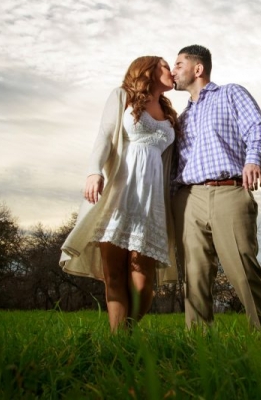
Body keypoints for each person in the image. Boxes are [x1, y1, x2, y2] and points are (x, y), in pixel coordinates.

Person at [60, 56, 179, 332]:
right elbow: (104, 135)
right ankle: (118, 343)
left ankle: (124, 332)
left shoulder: (169, 112)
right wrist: (94, 171)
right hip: (119, 195)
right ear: (148, 69)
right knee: (113, 276)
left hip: (152, 202)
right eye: (164, 65)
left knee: (143, 284)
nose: (170, 70)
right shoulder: (122, 96)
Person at [171, 44, 261, 330]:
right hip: (189, 198)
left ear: (198, 69)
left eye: (178, 65)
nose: (173, 70)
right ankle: (199, 347)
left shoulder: (230, 93)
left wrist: (253, 160)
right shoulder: (182, 118)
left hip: (229, 190)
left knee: (243, 268)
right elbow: (175, 166)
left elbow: (257, 128)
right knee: (195, 275)